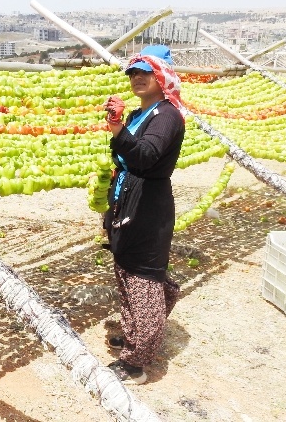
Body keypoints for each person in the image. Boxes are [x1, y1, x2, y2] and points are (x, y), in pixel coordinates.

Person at [101, 44, 185, 385]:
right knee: (126, 269)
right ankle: (136, 332)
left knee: (142, 277)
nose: (137, 77)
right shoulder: (141, 114)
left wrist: (118, 130)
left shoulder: (166, 115)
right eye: (133, 72)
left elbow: (147, 156)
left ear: (161, 75)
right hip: (129, 199)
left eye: (145, 72)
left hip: (148, 205)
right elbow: (127, 159)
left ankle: (137, 361)